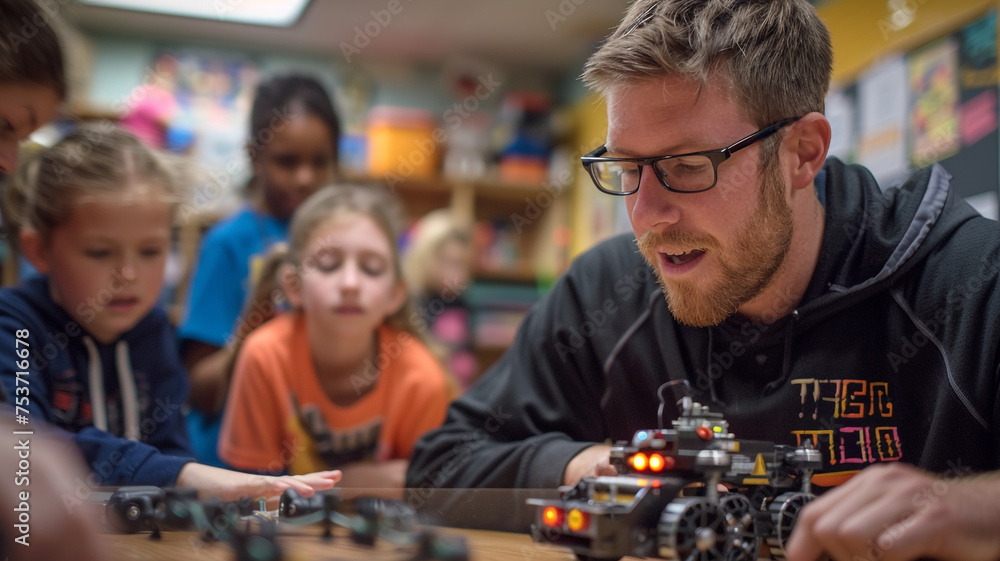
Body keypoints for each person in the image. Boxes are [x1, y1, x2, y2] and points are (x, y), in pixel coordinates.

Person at [405, 1, 1000, 559]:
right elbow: (439, 470)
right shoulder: (605, 293)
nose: (648, 215)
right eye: (625, 168)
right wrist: (591, 467)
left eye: (688, 167)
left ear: (803, 152)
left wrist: (966, 508)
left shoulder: (970, 282)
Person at [0, 125, 341, 502]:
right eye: (100, 252)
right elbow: (26, 449)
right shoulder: (13, 325)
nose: (128, 276)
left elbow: (172, 449)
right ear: (39, 251)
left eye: (150, 252)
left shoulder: (152, 329)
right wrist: (180, 475)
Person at [218, 184, 452, 499]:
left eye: (371, 268)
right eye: (329, 265)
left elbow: (428, 496)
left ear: (395, 294)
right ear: (293, 285)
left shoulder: (422, 379)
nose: (350, 283)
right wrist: (349, 484)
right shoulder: (264, 356)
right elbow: (248, 496)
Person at [179, 73, 340, 467]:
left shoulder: (343, 240)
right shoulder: (228, 243)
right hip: (232, 464)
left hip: (311, 461)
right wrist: (256, 323)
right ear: (254, 154)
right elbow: (197, 386)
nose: (305, 177)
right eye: (287, 161)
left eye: (320, 162)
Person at [402, 208, 476, 389]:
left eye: (463, 263)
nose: (458, 273)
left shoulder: (461, 304)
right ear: (425, 257)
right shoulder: (410, 303)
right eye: (450, 262)